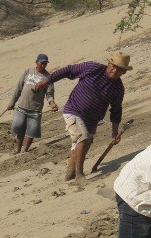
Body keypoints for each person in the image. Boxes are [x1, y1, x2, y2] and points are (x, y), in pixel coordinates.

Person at [34, 51, 131, 182]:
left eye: (119, 69)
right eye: (113, 66)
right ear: (108, 64)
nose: (115, 70)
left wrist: (114, 132)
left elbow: (116, 110)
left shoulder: (118, 88)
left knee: (84, 144)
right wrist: (47, 81)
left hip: (92, 120)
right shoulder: (92, 68)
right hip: (73, 110)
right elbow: (68, 70)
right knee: (82, 138)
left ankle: (70, 173)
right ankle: (79, 174)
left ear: (124, 72)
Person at [7, 53, 58, 153]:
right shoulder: (28, 71)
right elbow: (19, 88)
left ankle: (25, 150)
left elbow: (49, 94)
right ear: (36, 62)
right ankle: (18, 150)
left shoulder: (48, 77)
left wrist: (52, 104)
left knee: (31, 131)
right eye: (41, 63)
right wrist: (12, 102)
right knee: (19, 130)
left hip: (35, 109)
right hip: (22, 105)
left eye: (45, 64)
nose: (43, 65)